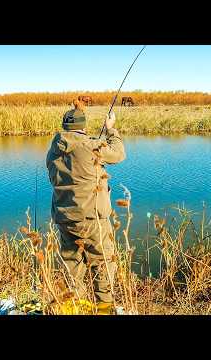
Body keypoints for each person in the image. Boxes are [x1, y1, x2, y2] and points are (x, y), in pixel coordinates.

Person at [46, 100, 126, 313]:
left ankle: (73, 308)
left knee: (71, 266)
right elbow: (118, 154)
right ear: (83, 125)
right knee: (103, 263)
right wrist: (111, 130)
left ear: (65, 125)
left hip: (64, 218)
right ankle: (104, 308)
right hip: (92, 219)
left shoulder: (53, 151)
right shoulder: (92, 145)